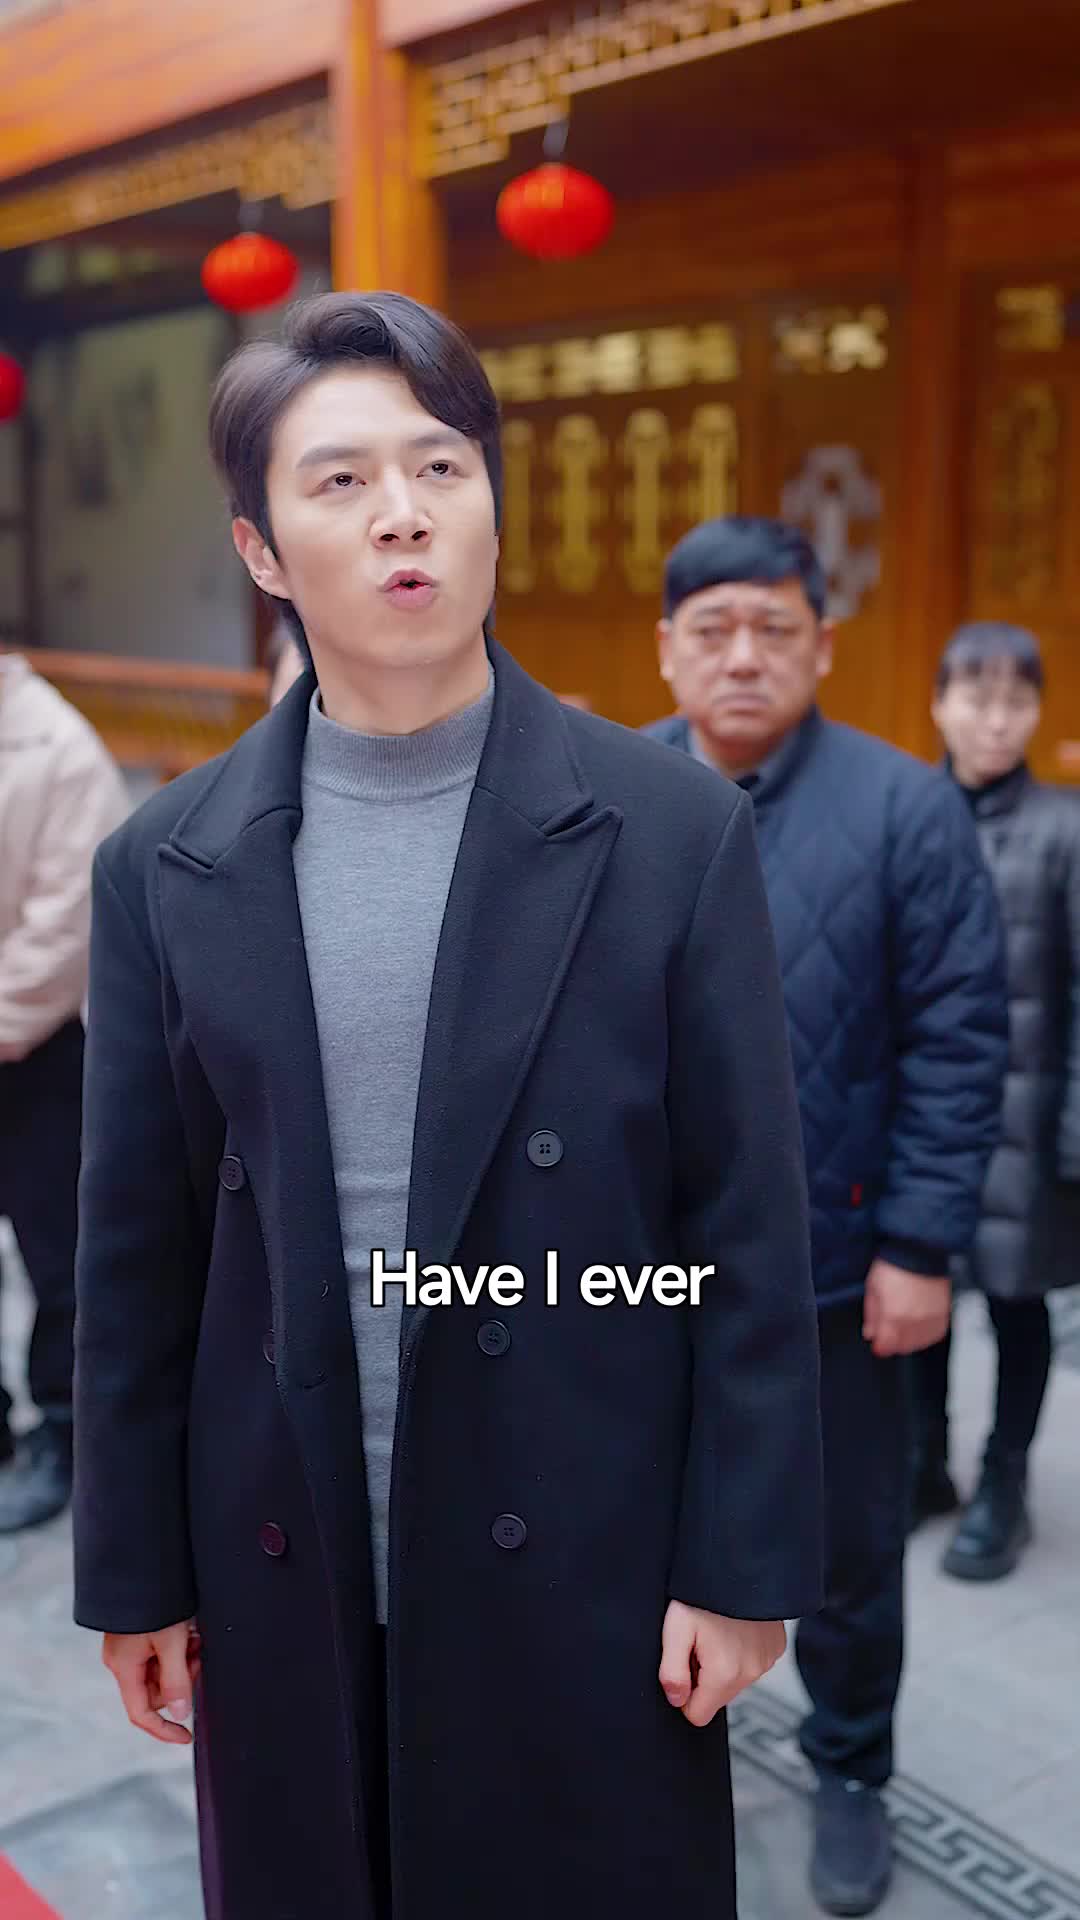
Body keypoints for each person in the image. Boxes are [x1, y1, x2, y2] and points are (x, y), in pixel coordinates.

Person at [72, 295, 824, 1920]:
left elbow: (746, 1223)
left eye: (438, 466)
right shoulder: (164, 865)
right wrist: (135, 1572)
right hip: (283, 1546)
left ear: (491, 506)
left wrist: (741, 1560)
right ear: (263, 552)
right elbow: (132, 1255)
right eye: (340, 481)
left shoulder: (669, 830)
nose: (401, 511)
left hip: (586, 1532)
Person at [644, 517, 1007, 1919]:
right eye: (713, 631)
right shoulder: (608, 792)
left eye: (774, 630)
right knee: (637, 1521)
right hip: (643, 1271)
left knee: (851, 1547)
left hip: (841, 1268)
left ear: (824, 645)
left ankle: (851, 1765)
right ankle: (656, 1745)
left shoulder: (906, 809)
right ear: (668, 648)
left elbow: (962, 1042)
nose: (743, 658)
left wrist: (919, 1245)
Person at [909, 622, 1080, 1580]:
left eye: (1017, 701)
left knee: (1018, 1304)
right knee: (918, 1286)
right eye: (977, 698)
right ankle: (923, 1463)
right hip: (928, 1115)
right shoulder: (908, 811)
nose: (996, 720)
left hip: (1030, 1119)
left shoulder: (1066, 828)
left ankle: (1003, 1484)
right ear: (940, 703)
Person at [0, 649, 128, 1532]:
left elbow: (65, 930)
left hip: (38, 1045)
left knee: (58, 1257)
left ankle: (63, 1434)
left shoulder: (57, 747)